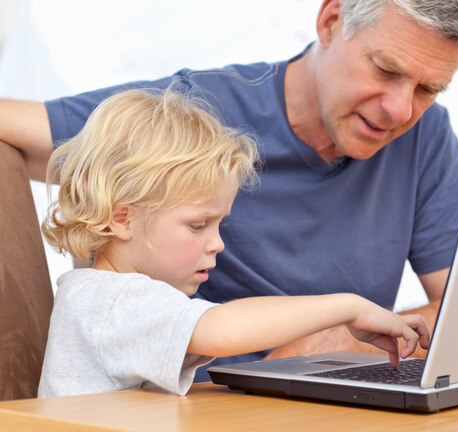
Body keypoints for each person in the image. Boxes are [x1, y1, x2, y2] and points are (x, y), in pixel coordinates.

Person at [0, 0, 458, 375]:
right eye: (386, 70)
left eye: (427, 89)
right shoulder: (191, 119)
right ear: (331, 20)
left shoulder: (426, 135)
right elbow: (216, 329)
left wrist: (338, 340)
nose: (401, 110)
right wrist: (342, 315)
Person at [37, 88, 430, 398]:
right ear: (123, 219)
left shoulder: (106, 296)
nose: (217, 244)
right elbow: (223, 329)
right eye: (198, 225)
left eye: (219, 225)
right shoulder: (114, 303)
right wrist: (349, 307)